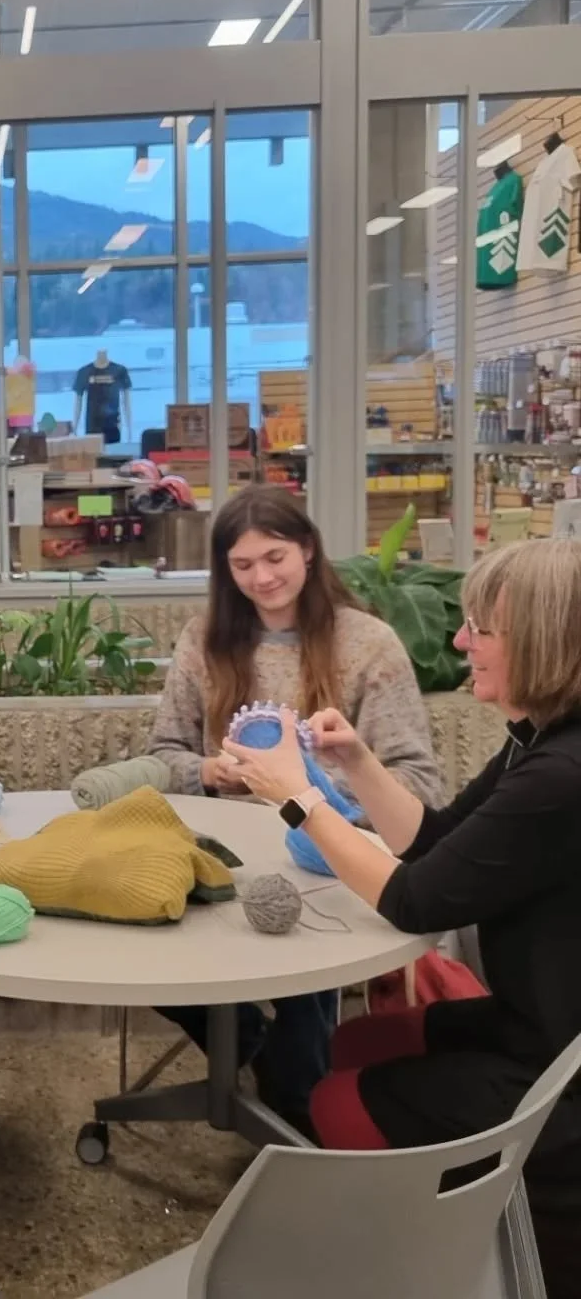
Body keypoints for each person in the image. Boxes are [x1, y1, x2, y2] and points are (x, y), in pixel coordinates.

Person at [221, 537, 581, 1296]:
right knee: (356, 1040)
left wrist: (296, 794)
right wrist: (354, 761)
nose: (459, 641)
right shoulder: (538, 741)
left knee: (331, 1094)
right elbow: (436, 843)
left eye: (481, 629)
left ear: (546, 642)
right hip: (533, 1019)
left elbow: (413, 899)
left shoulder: (561, 777)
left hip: (555, 1064)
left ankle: (402, 1262)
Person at [147, 485, 443, 1133]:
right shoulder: (205, 642)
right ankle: (257, 1053)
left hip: (324, 860)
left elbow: (421, 786)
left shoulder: (368, 645)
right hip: (222, 854)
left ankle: (299, 1117)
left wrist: (336, 789)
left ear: (308, 550)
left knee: (307, 971)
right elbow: (161, 752)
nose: (262, 578)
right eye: (243, 565)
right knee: (148, 934)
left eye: (275, 557)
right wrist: (206, 769)